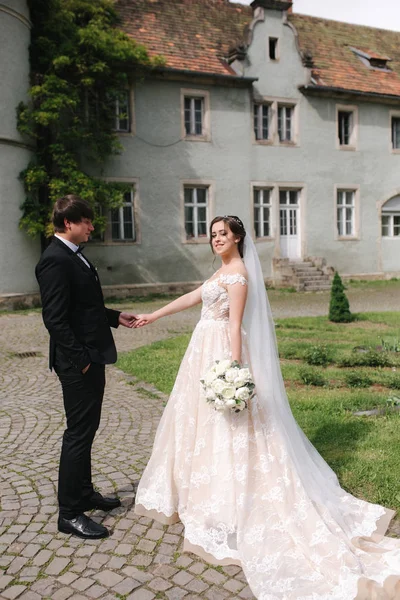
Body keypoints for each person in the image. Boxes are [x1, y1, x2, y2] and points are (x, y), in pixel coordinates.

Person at [133, 215, 400, 599]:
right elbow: (193, 298)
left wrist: (232, 371)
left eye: (223, 233)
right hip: (201, 351)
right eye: (212, 235)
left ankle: (231, 502)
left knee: (233, 429)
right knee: (199, 423)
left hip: (221, 353)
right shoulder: (220, 273)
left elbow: (235, 324)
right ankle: (203, 497)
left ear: (238, 237)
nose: (216, 239)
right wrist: (152, 315)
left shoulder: (238, 275)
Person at [36, 195, 137, 540]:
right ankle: (70, 512)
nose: (92, 227)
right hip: (78, 362)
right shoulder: (54, 259)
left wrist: (114, 317)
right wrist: (80, 361)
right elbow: (55, 319)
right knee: (77, 434)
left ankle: (84, 493)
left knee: (87, 429)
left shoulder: (73, 256)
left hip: (91, 354)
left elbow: (85, 306)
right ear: (69, 223)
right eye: (88, 221)